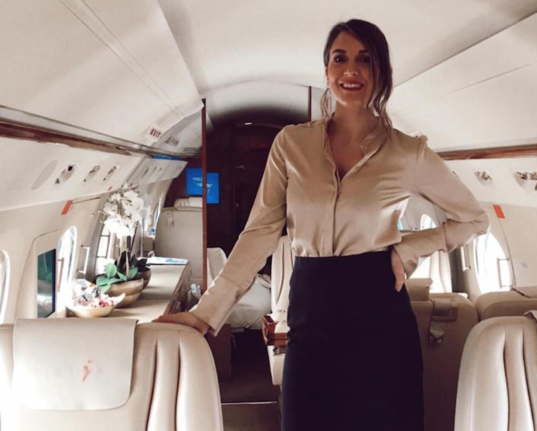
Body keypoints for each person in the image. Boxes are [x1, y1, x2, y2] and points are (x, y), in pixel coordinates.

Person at [154, 18, 489, 431]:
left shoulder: (408, 153)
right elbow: (259, 231)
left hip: (380, 314)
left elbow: (474, 218)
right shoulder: (291, 144)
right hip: (312, 310)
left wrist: (408, 247)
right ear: (326, 71)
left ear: (381, 71)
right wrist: (206, 314)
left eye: (365, 59)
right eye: (340, 58)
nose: (352, 70)